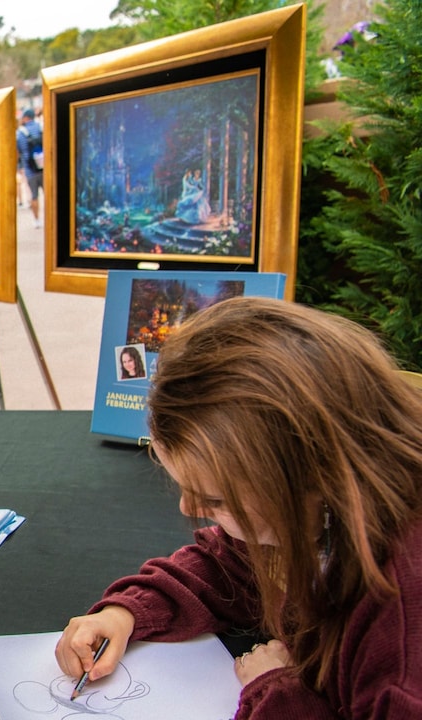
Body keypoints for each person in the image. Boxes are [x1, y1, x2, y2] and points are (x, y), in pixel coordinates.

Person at [56, 297, 422, 719]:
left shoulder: (400, 628)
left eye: (215, 499)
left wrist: (279, 693)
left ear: (308, 477)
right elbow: (229, 568)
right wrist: (127, 613)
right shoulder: (314, 512)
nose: (188, 507)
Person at [16, 107, 45, 229]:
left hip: (30, 170)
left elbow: (17, 152)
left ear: (26, 118)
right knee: (49, 194)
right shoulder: (41, 128)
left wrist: (19, 167)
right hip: (45, 167)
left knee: (34, 195)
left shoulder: (20, 133)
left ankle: (37, 220)